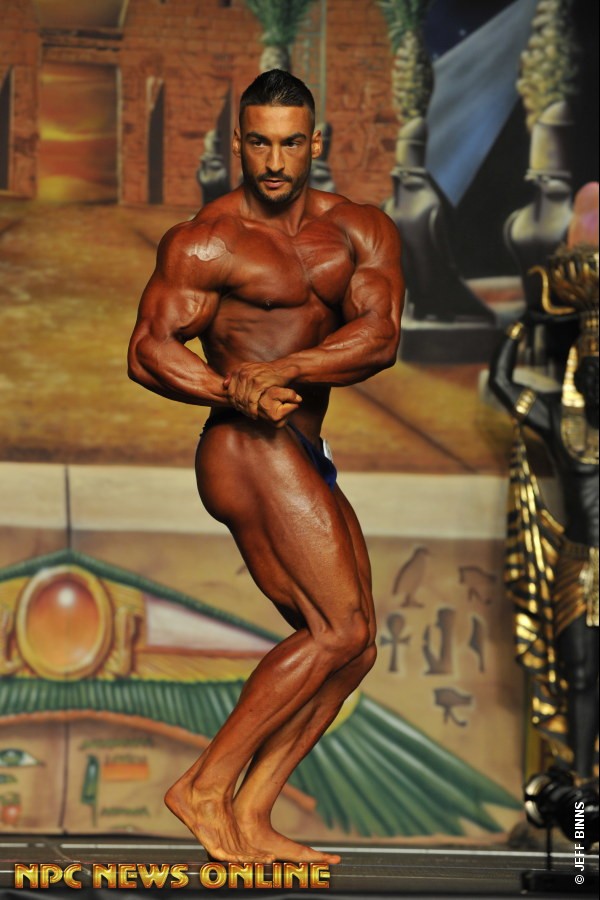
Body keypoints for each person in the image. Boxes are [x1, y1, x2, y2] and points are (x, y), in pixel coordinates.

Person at [127, 69, 404, 864]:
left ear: (315, 142)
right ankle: (206, 787)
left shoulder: (360, 229)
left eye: (289, 144)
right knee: (338, 626)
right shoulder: (207, 239)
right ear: (238, 143)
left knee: (354, 644)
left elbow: (380, 336)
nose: (275, 161)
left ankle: (250, 811)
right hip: (245, 445)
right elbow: (148, 350)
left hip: (303, 446)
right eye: (259, 143)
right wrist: (230, 390)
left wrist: (284, 371)